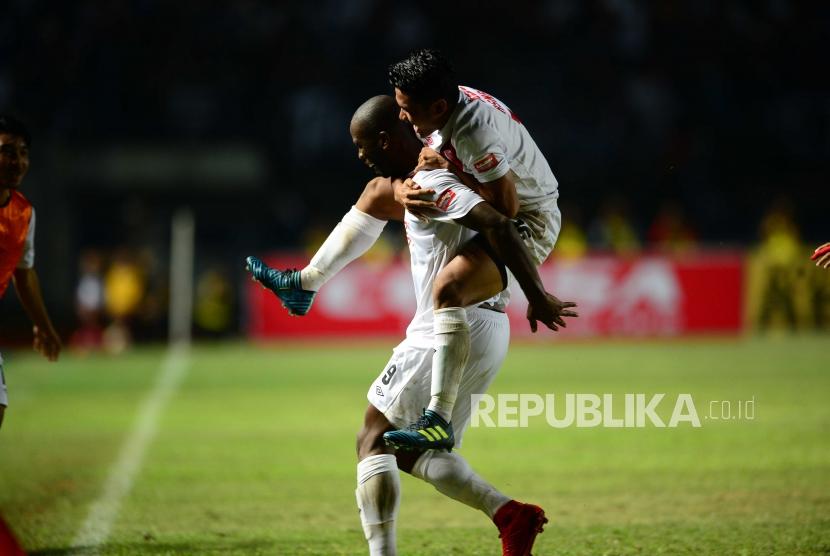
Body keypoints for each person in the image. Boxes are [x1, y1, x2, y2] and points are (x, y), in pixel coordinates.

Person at [249, 95, 570, 555]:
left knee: (372, 438)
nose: (361, 158)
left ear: (386, 140)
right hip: (483, 329)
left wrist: (538, 295)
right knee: (411, 451)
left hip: (448, 325)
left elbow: (497, 220)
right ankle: (509, 515)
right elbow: (381, 196)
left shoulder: (433, 179)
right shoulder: (419, 174)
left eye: (365, 147)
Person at [251, 49, 566, 449]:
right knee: (378, 192)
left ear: (435, 106)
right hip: (493, 204)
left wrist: (536, 295)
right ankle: (306, 283)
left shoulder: (472, 131)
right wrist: (401, 187)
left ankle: (439, 417)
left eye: (406, 109)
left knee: (448, 289)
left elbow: (504, 212)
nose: (402, 117)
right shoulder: (442, 104)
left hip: (529, 222)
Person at [0, 115, 61, 429]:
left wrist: (44, 326)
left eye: (22, 153)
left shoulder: (24, 213)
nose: (17, 161)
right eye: (8, 151)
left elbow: (24, 273)